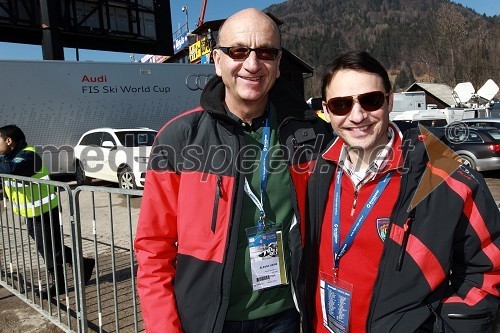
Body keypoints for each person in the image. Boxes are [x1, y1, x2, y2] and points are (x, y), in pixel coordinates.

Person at [134, 8, 333, 333]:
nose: (252, 65)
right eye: (238, 51)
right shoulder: (179, 138)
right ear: (217, 60)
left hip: (288, 315)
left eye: (266, 52)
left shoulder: (308, 134)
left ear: (278, 63)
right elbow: (154, 248)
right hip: (209, 321)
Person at [301, 50, 500, 332]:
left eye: (370, 100)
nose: (357, 116)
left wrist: (447, 327)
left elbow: (490, 268)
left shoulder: (443, 173)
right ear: (327, 110)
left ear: (389, 99)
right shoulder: (316, 172)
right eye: (342, 104)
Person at [0, 125, 95, 298]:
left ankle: (58, 284)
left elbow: (12, 170)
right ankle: (82, 263)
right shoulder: (11, 157)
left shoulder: (28, 155)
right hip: (31, 213)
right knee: (51, 246)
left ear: (9, 140)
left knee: (48, 247)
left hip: (44, 210)